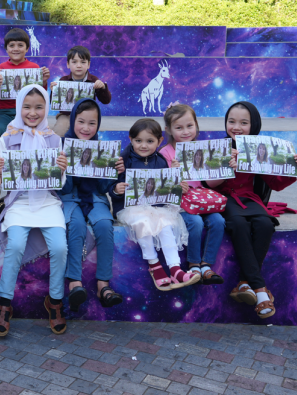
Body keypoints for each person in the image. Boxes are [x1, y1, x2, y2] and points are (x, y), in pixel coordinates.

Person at [206, 101, 297, 319]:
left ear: (254, 125)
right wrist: (226, 165)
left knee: (265, 223)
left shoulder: (260, 147)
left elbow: (275, 183)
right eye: (231, 121)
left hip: (250, 199)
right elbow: (208, 184)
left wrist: (291, 166)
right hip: (224, 198)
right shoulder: (218, 147)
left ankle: (243, 283)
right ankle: (260, 291)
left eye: (243, 122)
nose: (236, 127)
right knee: (239, 224)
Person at [0, 84, 69, 336]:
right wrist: (0, 173)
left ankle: (54, 301)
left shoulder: (54, 139)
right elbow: (1, 182)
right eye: (26, 107)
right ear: (18, 108)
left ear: (46, 108)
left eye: (38, 107)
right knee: (15, 245)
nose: (32, 112)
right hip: (19, 202)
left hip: (47, 201)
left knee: (60, 247)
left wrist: (62, 169)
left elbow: (60, 184)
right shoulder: (7, 137)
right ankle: (4, 304)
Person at [110, 119, 197, 291]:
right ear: (131, 139)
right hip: (130, 208)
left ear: (159, 141)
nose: (144, 145)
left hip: (156, 207)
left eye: (150, 141)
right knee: (143, 223)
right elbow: (112, 186)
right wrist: (116, 189)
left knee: (165, 226)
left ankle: (175, 268)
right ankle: (154, 265)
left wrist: (177, 185)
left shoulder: (161, 161)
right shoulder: (124, 160)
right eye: (138, 141)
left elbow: (165, 190)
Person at [61, 99, 124, 310]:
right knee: (76, 225)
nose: (86, 128)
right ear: (72, 121)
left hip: (95, 198)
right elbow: (63, 189)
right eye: (81, 122)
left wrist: (114, 171)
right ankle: (74, 282)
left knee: (105, 225)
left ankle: (103, 284)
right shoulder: (62, 145)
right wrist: (64, 169)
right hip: (70, 197)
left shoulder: (103, 147)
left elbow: (105, 188)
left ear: (98, 125)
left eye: (92, 123)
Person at [160, 104, 225, 284]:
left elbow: (211, 183)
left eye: (189, 126)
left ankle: (206, 265)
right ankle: (194, 264)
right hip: (181, 203)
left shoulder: (202, 150)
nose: (185, 131)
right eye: (179, 128)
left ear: (196, 125)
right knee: (195, 222)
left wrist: (220, 170)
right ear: (169, 130)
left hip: (202, 199)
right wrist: (174, 176)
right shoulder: (165, 153)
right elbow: (163, 186)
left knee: (219, 221)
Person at [0, 28, 50, 146]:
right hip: (5, 111)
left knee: (33, 132)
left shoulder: (34, 67)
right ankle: (2, 158)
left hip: (28, 111)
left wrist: (44, 82)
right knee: (0, 128)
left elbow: (40, 95)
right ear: (6, 49)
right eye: (12, 45)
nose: (16, 49)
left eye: (20, 45)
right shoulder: (1, 67)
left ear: (27, 48)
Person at [51, 46, 111, 137]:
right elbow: (55, 103)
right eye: (74, 62)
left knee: (91, 135)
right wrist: (53, 91)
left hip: (87, 117)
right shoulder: (63, 80)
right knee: (59, 130)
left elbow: (106, 100)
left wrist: (103, 88)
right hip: (66, 115)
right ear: (68, 64)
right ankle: (58, 150)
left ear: (88, 65)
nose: (79, 65)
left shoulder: (93, 80)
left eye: (83, 62)